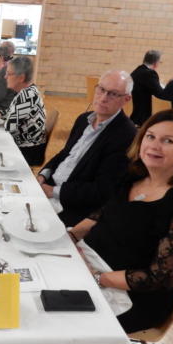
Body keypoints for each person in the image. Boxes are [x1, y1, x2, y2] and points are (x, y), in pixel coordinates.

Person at [68, 109, 173, 333]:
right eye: (150, 136)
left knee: (51, 318)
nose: (154, 146)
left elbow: (158, 277)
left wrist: (96, 277)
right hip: (90, 262)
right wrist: (70, 236)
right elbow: (104, 213)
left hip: (130, 296)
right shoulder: (134, 176)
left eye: (168, 141)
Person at [37, 70, 137, 227]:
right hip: (49, 187)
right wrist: (43, 175)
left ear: (126, 99)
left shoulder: (126, 135)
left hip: (71, 205)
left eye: (113, 94)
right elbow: (65, 154)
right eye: (101, 90)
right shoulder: (84, 119)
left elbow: (102, 190)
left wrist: (51, 191)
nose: (103, 98)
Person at [0, 56, 46, 165]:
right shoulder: (27, 91)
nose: (5, 77)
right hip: (25, 145)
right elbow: (9, 113)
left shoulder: (26, 95)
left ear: (21, 78)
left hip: (28, 151)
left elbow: (8, 128)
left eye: (9, 74)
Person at [130, 50, 164, 126]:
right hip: (142, 118)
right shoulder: (150, 74)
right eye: (159, 62)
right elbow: (160, 94)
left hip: (135, 115)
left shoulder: (137, 71)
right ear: (155, 63)